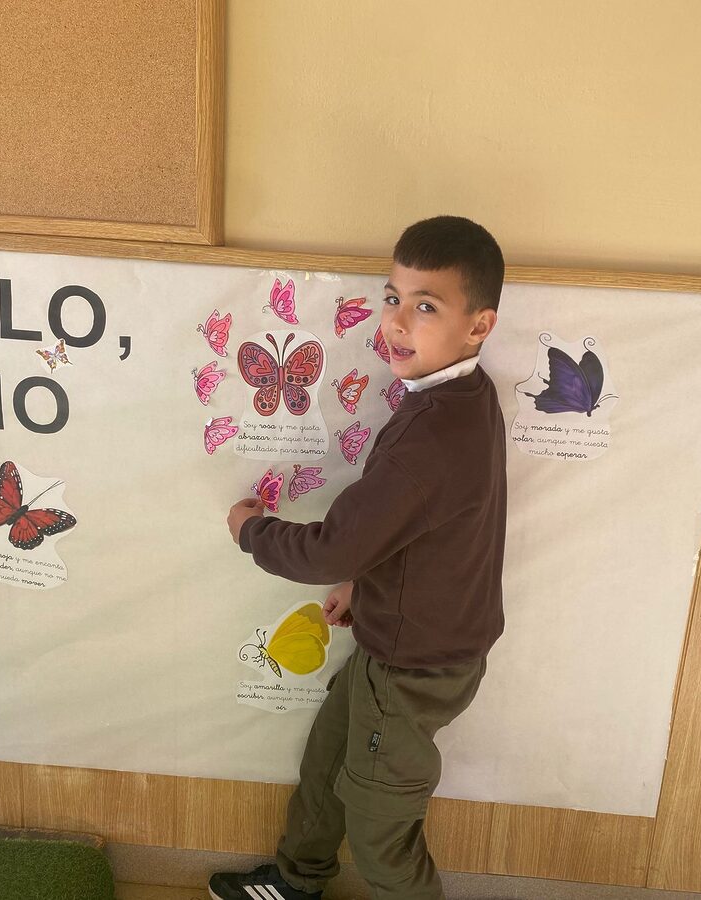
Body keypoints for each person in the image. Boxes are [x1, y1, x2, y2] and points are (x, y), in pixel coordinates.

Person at [211, 215, 507, 900]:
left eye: (426, 307)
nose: (397, 322)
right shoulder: (463, 394)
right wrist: (363, 583)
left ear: (479, 325)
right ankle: (297, 881)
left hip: (414, 667)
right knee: (327, 764)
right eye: (393, 297)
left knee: (381, 834)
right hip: (399, 639)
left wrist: (251, 531)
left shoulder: (433, 434)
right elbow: (421, 530)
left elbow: (332, 546)